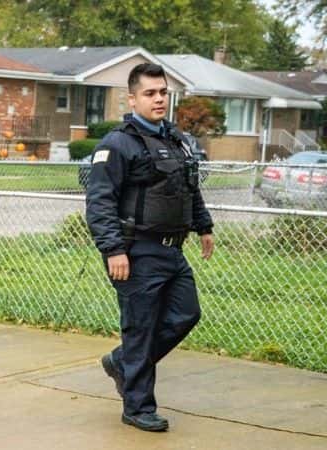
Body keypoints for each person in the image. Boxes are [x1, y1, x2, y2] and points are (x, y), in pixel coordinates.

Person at [85, 63, 214, 432]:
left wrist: (204, 226)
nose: (159, 99)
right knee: (140, 329)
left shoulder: (176, 139)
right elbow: (99, 202)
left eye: (163, 92)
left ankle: (122, 363)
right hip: (136, 251)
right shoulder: (117, 144)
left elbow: (189, 187)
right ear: (132, 99)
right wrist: (113, 249)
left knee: (186, 314)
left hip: (173, 250)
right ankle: (138, 407)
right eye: (150, 93)